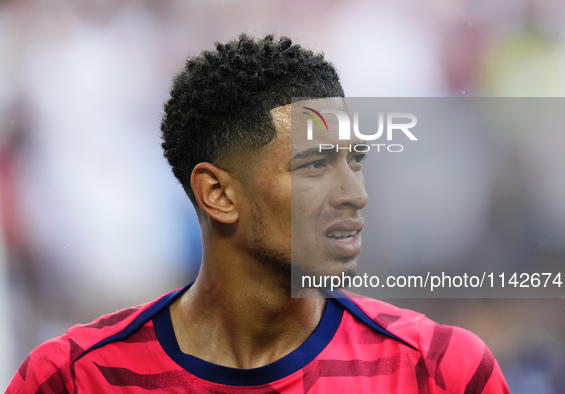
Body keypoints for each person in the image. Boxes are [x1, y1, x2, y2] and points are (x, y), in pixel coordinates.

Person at [7, 34, 509, 393]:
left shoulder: (441, 371)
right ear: (218, 194)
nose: (354, 193)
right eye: (314, 165)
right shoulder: (72, 378)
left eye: (354, 161)